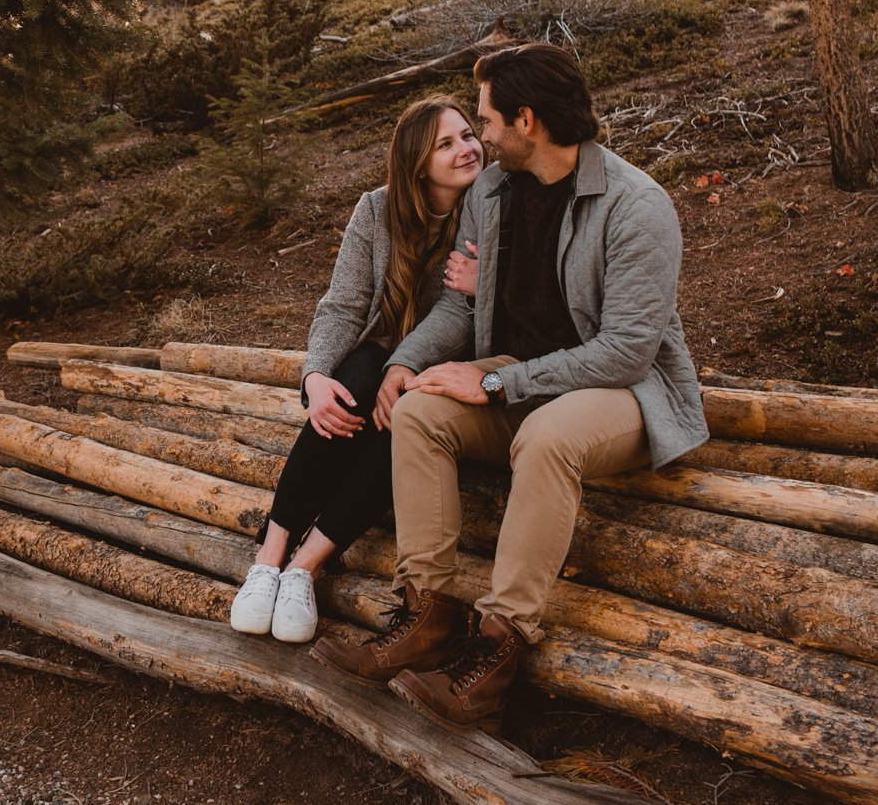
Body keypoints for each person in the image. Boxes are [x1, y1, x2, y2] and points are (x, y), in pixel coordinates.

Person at [311, 43, 708, 734]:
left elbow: (625, 350)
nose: (481, 134)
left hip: (624, 392)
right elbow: (462, 308)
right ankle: (427, 615)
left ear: (527, 120)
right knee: (420, 410)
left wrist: (497, 378)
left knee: (547, 435)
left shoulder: (637, 205)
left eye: (488, 120)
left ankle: (496, 655)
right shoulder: (492, 194)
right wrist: (404, 363)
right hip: (521, 380)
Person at [229, 96, 484, 643]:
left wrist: (412, 358)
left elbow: (461, 314)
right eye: (447, 143)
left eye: (468, 134)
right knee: (359, 375)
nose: (467, 148)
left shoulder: (490, 209)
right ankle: (269, 559)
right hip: (376, 359)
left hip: (450, 365)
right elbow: (343, 306)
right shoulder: (376, 209)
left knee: (401, 418)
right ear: (417, 161)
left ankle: (305, 568)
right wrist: (315, 377)